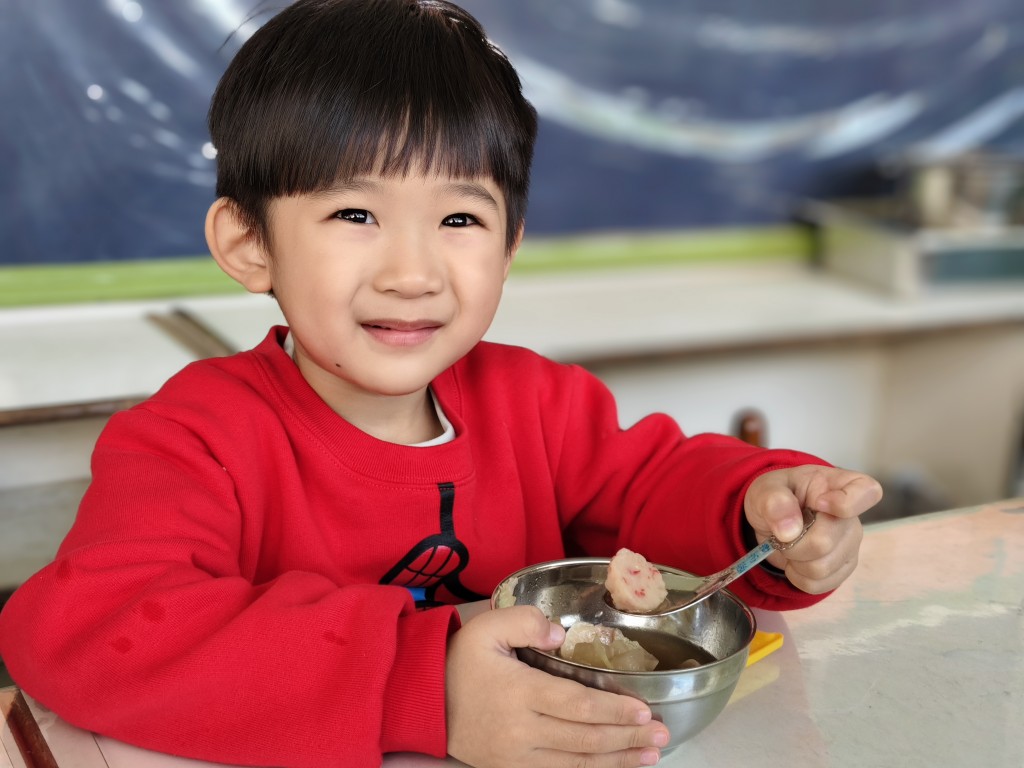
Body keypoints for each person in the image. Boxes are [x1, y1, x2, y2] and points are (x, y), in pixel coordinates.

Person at [0, 1, 882, 767]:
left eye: (460, 217)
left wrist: (763, 516)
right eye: (355, 213)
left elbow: (659, 488)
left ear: (510, 245)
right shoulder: (193, 439)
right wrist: (423, 685)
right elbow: (87, 637)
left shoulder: (540, 406)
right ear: (249, 244)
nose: (413, 274)